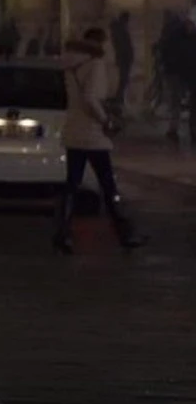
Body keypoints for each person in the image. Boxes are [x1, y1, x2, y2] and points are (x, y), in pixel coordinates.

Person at [53, 25, 144, 255]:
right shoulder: (95, 65)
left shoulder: (70, 64)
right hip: (93, 134)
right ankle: (125, 233)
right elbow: (90, 98)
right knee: (108, 184)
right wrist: (106, 120)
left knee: (72, 184)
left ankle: (63, 233)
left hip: (74, 132)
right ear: (101, 43)